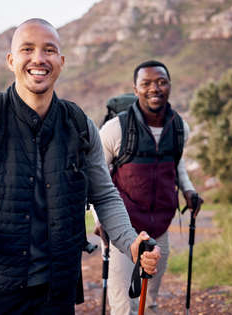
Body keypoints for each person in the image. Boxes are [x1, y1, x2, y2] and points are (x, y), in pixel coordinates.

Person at [0, 19, 161, 315]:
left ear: (61, 62)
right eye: (27, 49)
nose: (38, 58)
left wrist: (131, 242)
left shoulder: (80, 126)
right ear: (11, 60)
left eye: (49, 50)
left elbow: (104, 195)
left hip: (59, 288)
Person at [93, 60, 203, 314]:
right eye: (147, 83)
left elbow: (176, 163)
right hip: (122, 228)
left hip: (160, 227)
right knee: (124, 306)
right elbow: (95, 177)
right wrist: (99, 220)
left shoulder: (178, 128)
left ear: (170, 86)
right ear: (135, 89)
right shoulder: (115, 129)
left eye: (161, 82)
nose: (155, 88)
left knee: (149, 298)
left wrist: (188, 190)